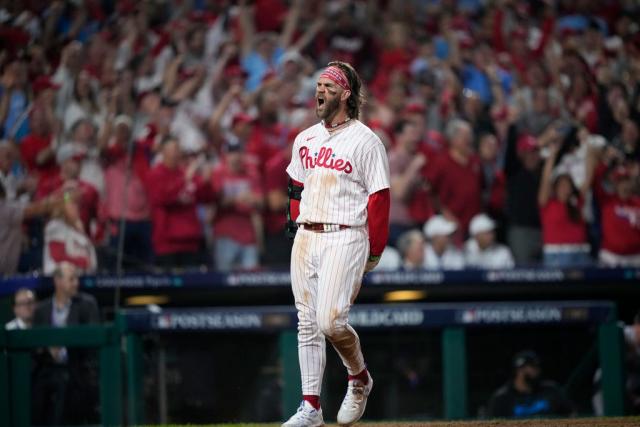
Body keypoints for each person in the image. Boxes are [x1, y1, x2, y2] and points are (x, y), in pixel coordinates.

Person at [283, 61, 390, 427]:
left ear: (346, 94)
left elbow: (379, 198)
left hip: (346, 232)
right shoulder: (305, 139)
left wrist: (375, 249)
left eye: (329, 85)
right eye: (318, 85)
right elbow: (295, 186)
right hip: (307, 235)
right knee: (307, 323)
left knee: (330, 320)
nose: (320, 91)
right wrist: (294, 221)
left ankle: (358, 377)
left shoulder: (366, 140)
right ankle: (311, 406)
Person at [32, 262, 100, 426]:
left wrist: (65, 345)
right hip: (47, 370)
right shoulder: (42, 309)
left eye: (76, 279)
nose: (76, 283)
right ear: (58, 281)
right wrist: (48, 349)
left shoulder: (87, 304)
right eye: (71, 279)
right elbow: (34, 343)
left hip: (77, 369)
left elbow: (93, 339)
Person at [487, 350, 574, 418]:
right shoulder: (502, 397)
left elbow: (572, 415)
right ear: (520, 370)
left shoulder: (551, 390)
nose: (537, 370)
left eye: (537, 367)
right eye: (532, 367)